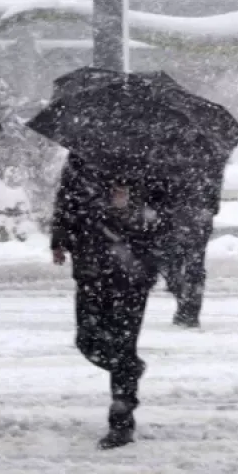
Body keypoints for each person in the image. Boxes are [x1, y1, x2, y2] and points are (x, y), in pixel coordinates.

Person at [51, 153, 167, 450]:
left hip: (133, 272)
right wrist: (60, 237)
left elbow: (165, 215)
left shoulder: (150, 160)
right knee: (87, 340)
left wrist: (130, 209)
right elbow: (67, 199)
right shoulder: (81, 157)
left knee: (123, 343)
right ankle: (129, 370)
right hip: (90, 265)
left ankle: (122, 421)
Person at [155, 165, 224, 329]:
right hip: (180, 214)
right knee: (178, 264)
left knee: (188, 265)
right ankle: (187, 304)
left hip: (188, 214)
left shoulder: (204, 159)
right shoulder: (206, 158)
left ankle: (188, 307)